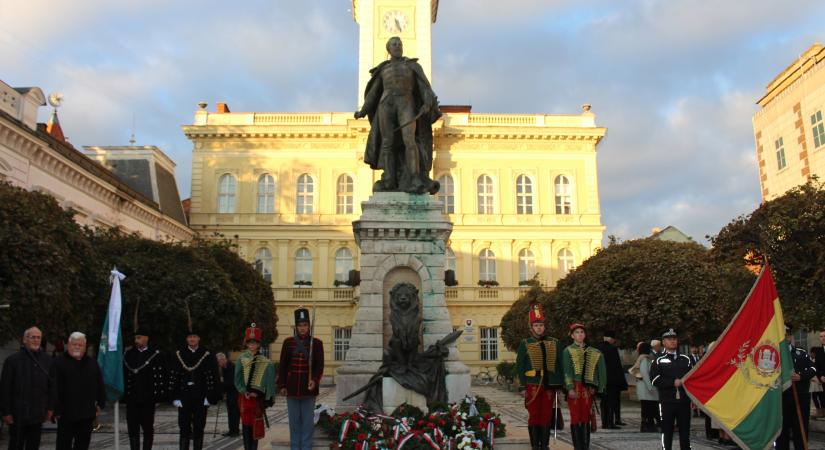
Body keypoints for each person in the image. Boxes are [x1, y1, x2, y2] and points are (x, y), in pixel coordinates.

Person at [354, 36, 441, 194]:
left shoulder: (412, 66)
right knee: (387, 142)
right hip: (385, 105)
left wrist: (428, 102)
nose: (397, 46)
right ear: (388, 49)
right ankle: (389, 179)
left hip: (406, 103)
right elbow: (373, 94)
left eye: (399, 44)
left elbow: (424, 87)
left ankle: (415, 178)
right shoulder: (383, 69)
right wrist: (363, 111)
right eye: (394, 44)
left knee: (409, 139)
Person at [516, 303, 563, 450]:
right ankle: (535, 445)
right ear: (531, 328)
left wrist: (559, 385)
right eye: (536, 325)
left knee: (546, 415)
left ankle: (545, 445)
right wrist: (523, 385)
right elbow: (520, 365)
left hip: (549, 384)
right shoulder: (525, 343)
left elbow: (559, 365)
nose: (539, 328)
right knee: (534, 415)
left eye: (541, 325)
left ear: (545, 326)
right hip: (532, 384)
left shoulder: (554, 343)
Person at [49, 332, 105, 450]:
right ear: (68, 345)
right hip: (65, 414)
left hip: (86, 414)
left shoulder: (92, 363)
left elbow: (99, 383)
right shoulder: (57, 363)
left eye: (80, 345)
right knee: (63, 446)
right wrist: (55, 410)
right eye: (74, 344)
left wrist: (101, 403)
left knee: (82, 446)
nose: (77, 347)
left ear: (85, 347)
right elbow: (53, 388)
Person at [278, 307, 324, 450]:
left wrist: (314, 380)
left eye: (305, 325)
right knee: (294, 424)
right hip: (291, 389)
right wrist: (282, 385)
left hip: (308, 390)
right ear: (296, 326)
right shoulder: (288, 342)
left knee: (307, 424)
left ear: (309, 326)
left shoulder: (316, 343)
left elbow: (319, 366)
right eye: (300, 325)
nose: (302, 328)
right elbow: (283, 366)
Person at [0, 327, 52, 450]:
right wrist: (6, 412)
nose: (36, 340)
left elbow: (51, 387)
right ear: (24, 340)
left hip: (38, 413)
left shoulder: (47, 360)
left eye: (38, 337)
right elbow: (5, 388)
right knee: (16, 445)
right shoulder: (12, 360)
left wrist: (50, 408)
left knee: (33, 445)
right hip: (18, 415)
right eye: (32, 337)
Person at [169, 327, 220, 450]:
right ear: (186, 339)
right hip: (183, 397)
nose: (192, 339)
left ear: (199, 339)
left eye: (194, 337)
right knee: (184, 427)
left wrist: (210, 397)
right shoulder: (178, 354)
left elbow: (214, 376)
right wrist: (175, 397)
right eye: (190, 337)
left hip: (201, 397)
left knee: (199, 427)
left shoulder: (207, 354)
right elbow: (173, 376)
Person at [562, 323, 606, 450]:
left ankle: (585, 446)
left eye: (582, 332)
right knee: (575, 416)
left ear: (585, 334)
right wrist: (569, 387)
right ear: (572, 336)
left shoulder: (594, 352)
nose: (580, 334)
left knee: (586, 416)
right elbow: (567, 370)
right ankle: (577, 447)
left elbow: (600, 371)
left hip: (588, 388)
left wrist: (597, 386)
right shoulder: (568, 351)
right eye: (577, 332)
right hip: (574, 386)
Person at [123, 327, 167, 450]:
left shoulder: (156, 354)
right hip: (132, 398)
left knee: (147, 427)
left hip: (148, 398)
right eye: (135, 338)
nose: (136, 340)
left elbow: (163, 375)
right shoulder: (129, 354)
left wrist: (160, 396)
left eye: (139, 337)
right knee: (132, 427)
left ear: (146, 338)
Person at [650, 328, 693, 450]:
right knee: (667, 430)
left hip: (684, 401)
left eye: (674, 339)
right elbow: (654, 380)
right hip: (667, 402)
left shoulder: (686, 359)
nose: (673, 341)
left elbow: (692, 378)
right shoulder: (658, 360)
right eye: (669, 339)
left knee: (685, 431)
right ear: (663, 342)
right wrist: (672, 382)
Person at [235, 324, 276, 450]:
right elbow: (238, 379)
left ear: (259, 344)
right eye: (250, 342)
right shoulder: (241, 358)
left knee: (256, 427)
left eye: (255, 343)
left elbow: (269, 384)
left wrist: (262, 395)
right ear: (246, 344)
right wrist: (243, 391)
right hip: (245, 399)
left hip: (257, 400)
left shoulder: (266, 362)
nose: (252, 345)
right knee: (246, 426)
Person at [776, 324, 817, 450]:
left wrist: (801, 376)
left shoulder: (801, 353)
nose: (784, 337)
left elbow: (813, 368)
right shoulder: (775, 355)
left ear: (790, 336)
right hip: (781, 397)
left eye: (787, 334)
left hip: (800, 397)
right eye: (781, 334)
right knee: (782, 430)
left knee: (800, 429)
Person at [595, 331, 627, 429]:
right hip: (612, 381)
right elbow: (617, 367)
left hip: (601, 380)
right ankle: (609, 423)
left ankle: (604, 423)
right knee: (611, 402)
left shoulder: (596, 349)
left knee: (604, 402)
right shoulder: (612, 349)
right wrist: (621, 382)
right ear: (611, 339)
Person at [629, 342, 659, 432]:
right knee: (648, 407)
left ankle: (648, 425)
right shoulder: (644, 359)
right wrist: (650, 386)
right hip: (646, 387)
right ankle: (648, 426)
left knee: (647, 407)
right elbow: (645, 373)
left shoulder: (644, 358)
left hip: (644, 386)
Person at [216, 352, 240, 437]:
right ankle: (231, 430)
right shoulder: (224, 368)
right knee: (230, 412)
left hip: (235, 393)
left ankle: (236, 431)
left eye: (218, 362)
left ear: (223, 359)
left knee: (235, 413)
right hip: (229, 393)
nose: (218, 364)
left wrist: (222, 382)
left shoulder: (232, 367)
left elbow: (232, 382)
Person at [812, 330, 825, 419]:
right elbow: (816, 367)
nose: (823, 338)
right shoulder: (818, 351)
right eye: (821, 336)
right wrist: (821, 376)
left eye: (824, 336)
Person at [810, 346, 825, 420]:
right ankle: (819, 410)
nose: (812, 354)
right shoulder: (812, 359)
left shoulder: (818, 359)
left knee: (821, 396)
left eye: (813, 353)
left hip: (818, 380)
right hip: (814, 381)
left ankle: (822, 411)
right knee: (815, 396)